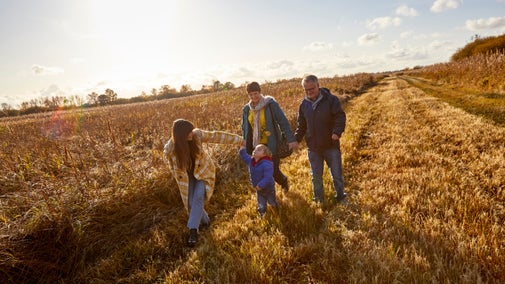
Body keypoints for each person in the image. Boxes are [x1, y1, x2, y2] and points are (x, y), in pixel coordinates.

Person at [164, 119, 243, 246]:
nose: (191, 133)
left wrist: (240, 140)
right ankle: (206, 222)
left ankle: (193, 231)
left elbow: (217, 136)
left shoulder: (197, 135)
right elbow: (170, 165)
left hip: (203, 173)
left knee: (198, 197)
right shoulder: (170, 149)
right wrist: (178, 176)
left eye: (191, 131)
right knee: (191, 203)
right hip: (187, 178)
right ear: (180, 135)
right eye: (188, 132)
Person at [294, 75, 347, 205]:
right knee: (316, 176)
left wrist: (336, 132)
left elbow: (340, 117)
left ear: (318, 86)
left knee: (336, 175)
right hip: (313, 148)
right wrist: (296, 140)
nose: (309, 92)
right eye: (306, 90)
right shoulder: (304, 105)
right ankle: (319, 200)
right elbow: (301, 126)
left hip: (331, 145)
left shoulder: (331, 100)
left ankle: (341, 196)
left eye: (311, 89)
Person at [241, 82, 298, 192]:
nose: (254, 97)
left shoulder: (270, 104)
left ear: (260, 92)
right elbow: (245, 127)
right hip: (256, 146)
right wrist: (244, 141)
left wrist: (290, 139)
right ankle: (267, 194)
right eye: (251, 95)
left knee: (273, 170)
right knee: (260, 171)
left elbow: (283, 121)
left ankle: (283, 181)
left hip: (271, 143)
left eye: (256, 93)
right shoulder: (246, 109)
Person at [239, 144, 278, 218]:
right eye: (255, 149)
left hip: (268, 187)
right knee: (261, 203)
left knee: (271, 201)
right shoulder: (251, 161)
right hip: (258, 188)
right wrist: (242, 149)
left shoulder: (267, 163)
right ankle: (262, 215)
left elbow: (268, 177)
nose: (255, 151)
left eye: (258, 150)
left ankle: (276, 210)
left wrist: (260, 185)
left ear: (264, 154)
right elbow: (244, 157)